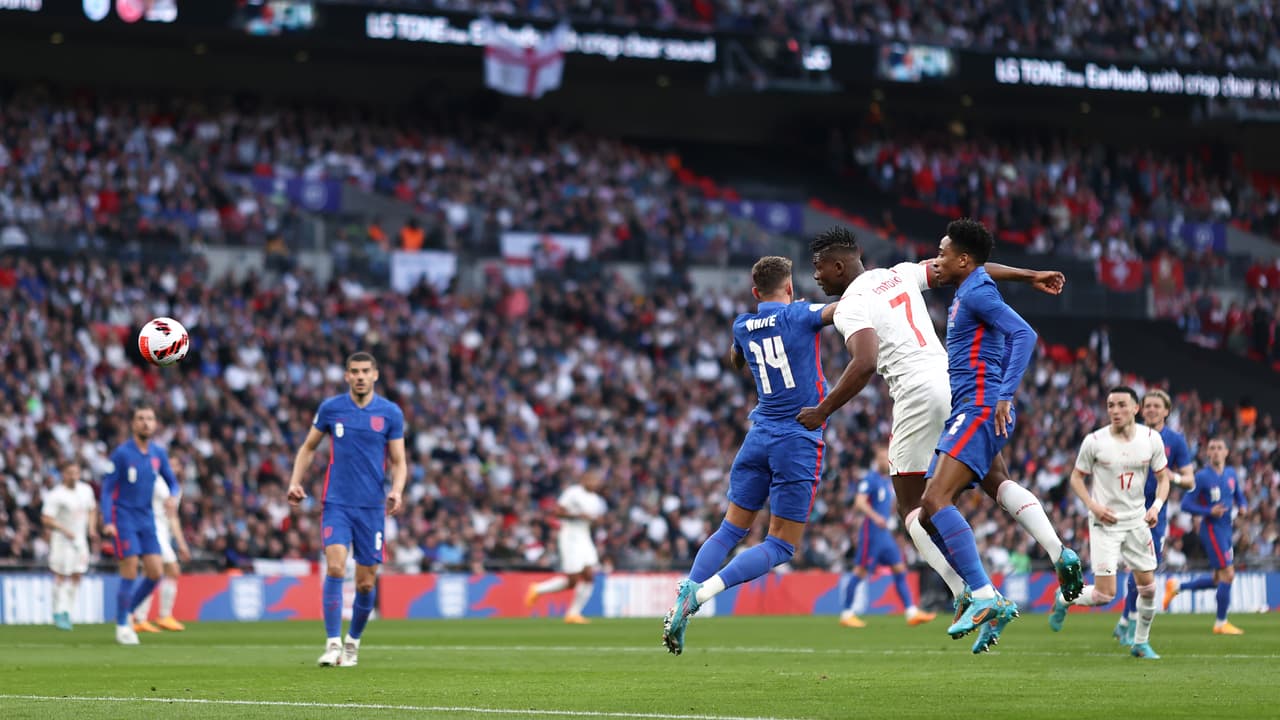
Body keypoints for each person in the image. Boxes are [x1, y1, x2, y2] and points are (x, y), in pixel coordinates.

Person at [801, 225, 1082, 644]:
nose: (817, 276)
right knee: (995, 479)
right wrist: (1028, 275)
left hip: (916, 395)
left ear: (839, 267)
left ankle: (969, 591)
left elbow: (864, 362)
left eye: (819, 268)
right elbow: (970, 269)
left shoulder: (850, 306)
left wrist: (823, 410)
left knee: (914, 507)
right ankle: (1058, 550)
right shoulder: (900, 273)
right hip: (954, 384)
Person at [661, 256, 831, 655]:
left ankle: (687, 591)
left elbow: (736, 358)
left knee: (730, 529)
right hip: (796, 438)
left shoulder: (742, 324)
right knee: (780, 546)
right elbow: (840, 310)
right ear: (790, 288)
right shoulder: (802, 315)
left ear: (755, 292)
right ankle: (700, 596)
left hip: (758, 436)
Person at [917, 218, 1050, 653]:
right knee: (926, 516)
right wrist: (1029, 275)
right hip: (968, 408)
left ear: (962, 260)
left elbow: (1024, 334)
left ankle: (983, 594)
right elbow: (985, 268)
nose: (936, 260)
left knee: (935, 500)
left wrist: (1005, 394)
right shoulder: (971, 282)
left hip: (979, 407)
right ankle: (991, 599)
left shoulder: (975, 292)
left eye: (942, 253)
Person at [288, 351, 407, 667]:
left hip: (372, 508)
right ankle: (332, 644)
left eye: (366, 371)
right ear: (346, 376)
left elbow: (398, 460)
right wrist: (295, 482)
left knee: (366, 583)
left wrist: (397, 490)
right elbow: (308, 447)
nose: (360, 376)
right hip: (336, 504)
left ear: (375, 375)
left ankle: (352, 642)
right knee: (336, 568)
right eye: (354, 371)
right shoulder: (332, 408)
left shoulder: (390, 413)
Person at [1049, 386, 1173, 660]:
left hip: (1137, 521)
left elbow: (1163, 478)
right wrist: (1093, 506)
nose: (1115, 411)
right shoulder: (1095, 441)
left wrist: (1156, 507)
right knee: (1105, 595)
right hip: (1105, 523)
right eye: (1110, 405)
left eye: (1121, 405)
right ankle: (1063, 597)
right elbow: (1076, 478)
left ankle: (1140, 642)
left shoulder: (1151, 439)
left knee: (1149, 588)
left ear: (1135, 409)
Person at [1114, 389, 1195, 645]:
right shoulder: (1130, 434)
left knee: (1147, 566)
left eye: (1156, 406)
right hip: (1130, 507)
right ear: (1140, 409)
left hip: (1157, 511)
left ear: (1166, 411)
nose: (1151, 410)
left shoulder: (1176, 441)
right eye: (1147, 405)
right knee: (1140, 565)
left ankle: (1125, 621)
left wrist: (1173, 477)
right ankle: (1130, 623)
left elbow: (1190, 480)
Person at [100, 405, 181, 645]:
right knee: (131, 568)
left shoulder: (158, 453)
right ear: (133, 424)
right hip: (124, 517)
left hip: (147, 519)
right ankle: (122, 626)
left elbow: (173, 482)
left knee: (156, 573)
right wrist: (108, 521)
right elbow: (107, 490)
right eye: (141, 418)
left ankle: (126, 612)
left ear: (155, 424)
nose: (146, 422)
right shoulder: (122, 454)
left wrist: (171, 496)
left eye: (150, 418)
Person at [839, 445, 936, 628]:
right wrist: (876, 518)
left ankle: (911, 612)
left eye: (887, 457)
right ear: (877, 461)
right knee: (860, 571)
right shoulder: (870, 479)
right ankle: (847, 613)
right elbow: (859, 502)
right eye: (883, 458)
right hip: (871, 533)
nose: (886, 461)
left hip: (884, 535)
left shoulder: (886, 481)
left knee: (899, 568)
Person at [1164, 437, 1247, 635]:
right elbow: (1186, 504)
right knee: (1228, 574)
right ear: (1207, 453)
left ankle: (1176, 586)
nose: (1216, 451)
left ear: (1226, 452)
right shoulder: (1202, 477)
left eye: (1219, 447)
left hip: (1227, 530)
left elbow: (1239, 495)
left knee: (1218, 579)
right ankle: (1221, 623)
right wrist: (1209, 511)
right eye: (1212, 448)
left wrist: (1243, 506)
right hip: (1211, 529)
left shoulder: (1231, 473)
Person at [524, 469, 607, 624]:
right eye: (591, 479)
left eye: (597, 481)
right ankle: (537, 589)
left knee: (589, 575)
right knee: (572, 581)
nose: (595, 483)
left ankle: (573, 613)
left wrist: (597, 522)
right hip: (570, 535)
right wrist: (578, 516)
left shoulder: (596, 499)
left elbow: (594, 520)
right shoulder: (573, 492)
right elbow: (557, 512)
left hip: (585, 535)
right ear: (584, 479)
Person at [133, 454, 192, 633]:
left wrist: (180, 542)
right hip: (152, 530)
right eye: (169, 465)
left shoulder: (175, 488)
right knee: (171, 570)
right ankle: (160, 616)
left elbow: (172, 517)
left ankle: (141, 618)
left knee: (151, 573)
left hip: (163, 533)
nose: (172, 468)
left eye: (176, 465)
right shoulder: (157, 482)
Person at [42, 461, 97, 631]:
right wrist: (64, 530)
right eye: (70, 473)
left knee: (77, 574)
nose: (74, 476)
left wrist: (91, 529)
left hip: (80, 541)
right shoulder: (56, 495)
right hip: (62, 540)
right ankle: (57, 612)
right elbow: (46, 519)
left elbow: (92, 509)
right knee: (60, 575)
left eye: (76, 473)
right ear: (63, 474)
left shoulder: (86, 490)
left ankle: (68, 612)